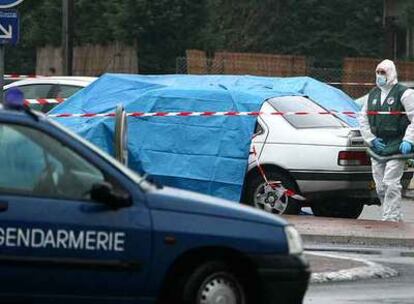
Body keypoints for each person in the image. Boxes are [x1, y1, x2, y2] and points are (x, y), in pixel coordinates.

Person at [359, 59, 414, 221]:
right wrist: (371, 139)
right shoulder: (373, 94)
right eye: (377, 72)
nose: (379, 76)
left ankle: (392, 219)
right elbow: (363, 118)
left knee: (391, 183)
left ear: (390, 73)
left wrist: (409, 140)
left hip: (397, 143)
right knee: (380, 186)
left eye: (383, 72)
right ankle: (390, 214)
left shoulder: (404, 93)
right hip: (378, 145)